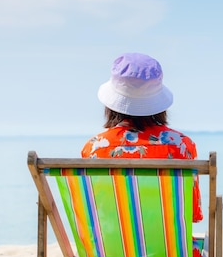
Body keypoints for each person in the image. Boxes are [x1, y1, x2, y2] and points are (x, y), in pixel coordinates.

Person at [82, 52, 203, 223]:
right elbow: (192, 214)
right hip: (171, 249)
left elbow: (92, 212)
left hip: (108, 249)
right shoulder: (182, 146)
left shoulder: (94, 148)